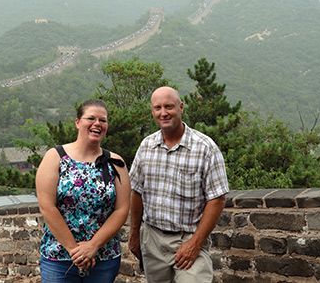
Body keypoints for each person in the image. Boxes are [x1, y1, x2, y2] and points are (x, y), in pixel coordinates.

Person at [128, 86, 229, 283]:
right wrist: (134, 235)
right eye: (158, 108)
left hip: (189, 236)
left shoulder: (204, 147)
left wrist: (195, 243)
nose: (163, 113)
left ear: (181, 107)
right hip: (153, 239)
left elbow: (217, 199)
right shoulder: (146, 146)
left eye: (169, 106)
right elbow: (136, 192)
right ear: (152, 111)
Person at [36, 99, 131, 283]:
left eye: (102, 120)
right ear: (78, 122)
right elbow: (47, 206)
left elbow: (122, 209)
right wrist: (76, 251)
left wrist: (93, 246)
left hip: (103, 258)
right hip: (59, 257)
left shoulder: (115, 162)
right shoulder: (55, 157)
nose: (97, 124)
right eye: (91, 118)